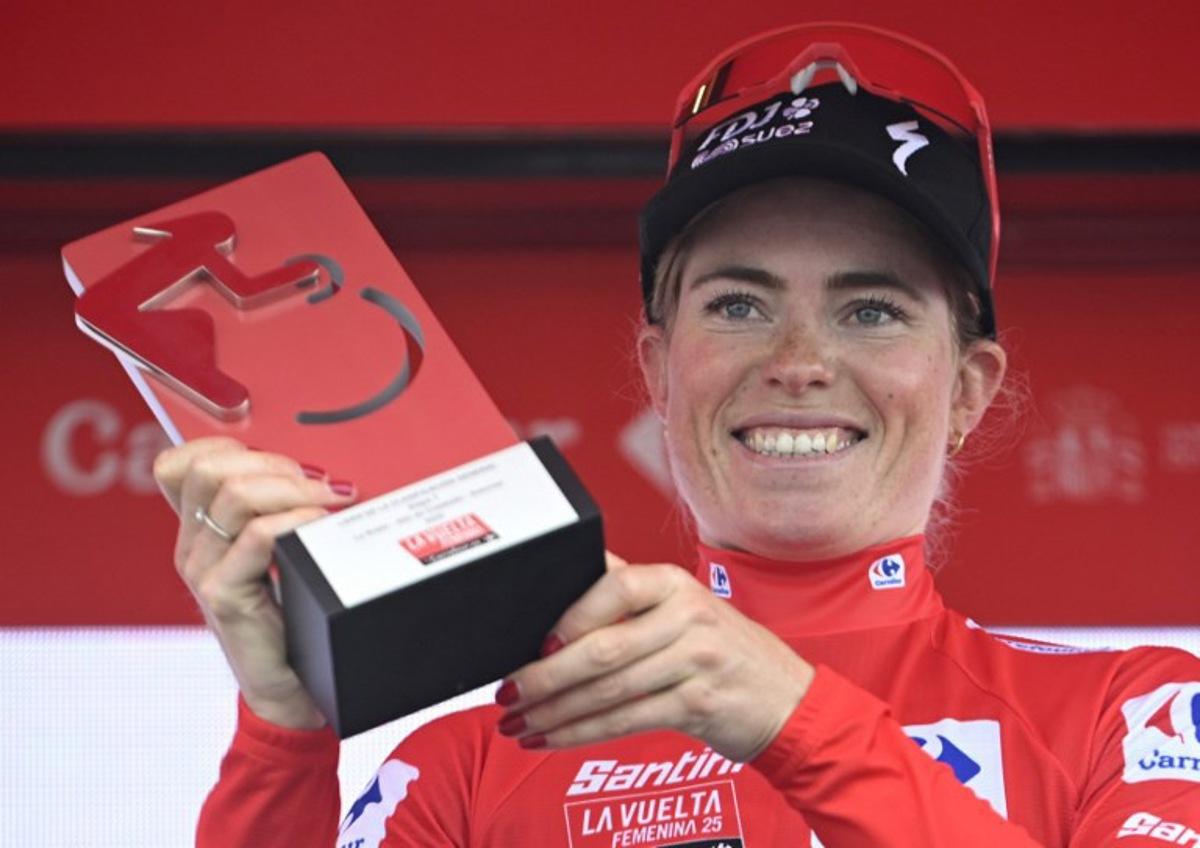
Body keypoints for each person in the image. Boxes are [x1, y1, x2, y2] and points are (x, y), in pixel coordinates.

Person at [153, 22, 1200, 847]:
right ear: (658, 369)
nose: (798, 359)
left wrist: (798, 719)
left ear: (970, 389)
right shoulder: (469, 765)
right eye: (738, 304)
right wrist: (282, 734)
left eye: (871, 308)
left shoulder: (1137, 714)